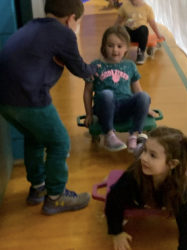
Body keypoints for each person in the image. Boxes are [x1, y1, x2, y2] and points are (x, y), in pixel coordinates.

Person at [0, 0, 98, 215]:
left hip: (5, 100)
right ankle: (56, 197)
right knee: (60, 141)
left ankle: (38, 188)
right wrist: (94, 70)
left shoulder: (32, 26)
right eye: (77, 22)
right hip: (29, 97)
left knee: (34, 138)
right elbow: (79, 67)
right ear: (71, 18)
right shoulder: (63, 33)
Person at [105, 126, 187, 250]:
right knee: (138, 153)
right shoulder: (133, 175)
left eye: (153, 155)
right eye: (146, 151)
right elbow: (113, 200)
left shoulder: (180, 186)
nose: (144, 158)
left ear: (172, 164)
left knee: (140, 152)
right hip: (140, 192)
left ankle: (142, 144)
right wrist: (116, 232)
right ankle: (141, 144)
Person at [83, 25, 156, 153]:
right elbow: (88, 91)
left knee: (144, 96)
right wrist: (89, 114)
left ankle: (134, 136)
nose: (115, 50)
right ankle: (109, 135)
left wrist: (146, 107)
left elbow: (137, 88)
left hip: (125, 107)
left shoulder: (130, 65)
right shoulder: (96, 65)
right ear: (104, 46)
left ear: (126, 47)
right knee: (107, 94)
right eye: (110, 45)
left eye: (119, 46)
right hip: (104, 107)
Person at [115, 0, 165, 65]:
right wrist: (112, 32)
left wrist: (158, 34)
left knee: (143, 29)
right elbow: (118, 21)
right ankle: (121, 52)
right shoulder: (125, 6)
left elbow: (152, 24)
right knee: (123, 29)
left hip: (140, 35)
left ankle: (140, 53)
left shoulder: (147, 8)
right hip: (128, 34)